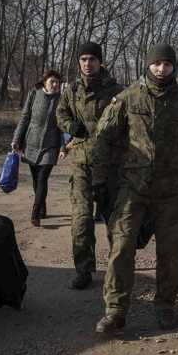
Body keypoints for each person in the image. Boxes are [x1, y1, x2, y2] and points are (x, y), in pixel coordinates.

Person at [90, 44, 178, 333]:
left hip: (170, 190)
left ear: (174, 67)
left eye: (167, 64)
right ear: (148, 65)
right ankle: (115, 311)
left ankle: (165, 307)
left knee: (170, 251)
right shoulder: (127, 98)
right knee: (121, 247)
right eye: (156, 63)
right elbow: (102, 139)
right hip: (132, 187)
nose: (161, 69)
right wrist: (99, 182)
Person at [56, 41, 123, 290]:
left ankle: (117, 269)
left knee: (113, 222)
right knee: (81, 220)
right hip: (81, 164)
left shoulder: (116, 91)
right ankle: (83, 269)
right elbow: (60, 114)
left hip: (109, 167)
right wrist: (70, 126)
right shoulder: (71, 91)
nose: (87, 63)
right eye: (83, 59)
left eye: (92, 59)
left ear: (100, 61)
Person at [13, 69, 65, 227]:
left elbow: (64, 126)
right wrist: (17, 139)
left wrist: (63, 147)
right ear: (45, 82)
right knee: (36, 180)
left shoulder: (62, 100)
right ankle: (42, 207)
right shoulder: (34, 94)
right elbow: (25, 117)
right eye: (52, 82)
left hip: (51, 146)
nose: (55, 85)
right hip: (31, 143)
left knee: (42, 178)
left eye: (58, 82)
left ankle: (35, 213)